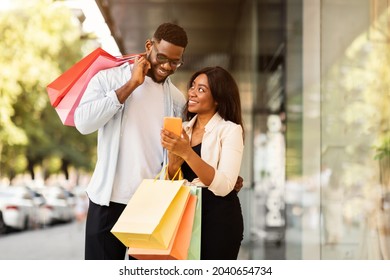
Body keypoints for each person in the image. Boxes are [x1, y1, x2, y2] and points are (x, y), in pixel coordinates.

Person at [74, 23, 243, 260]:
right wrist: (132, 84)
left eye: (175, 62)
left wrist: (226, 176)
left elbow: (186, 146)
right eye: (162, 57)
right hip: (108, 201)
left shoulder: (175, 98)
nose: (166, 66)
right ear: (149, 46)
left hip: (153, 205)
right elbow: (83, 123)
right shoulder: (109, 80)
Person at [161, 66, 245, 260]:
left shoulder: (230, 130)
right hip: (182, 216)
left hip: (219, 220)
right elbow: (170, 182)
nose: (192, 92)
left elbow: (224, 186)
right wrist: (173, 165)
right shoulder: (181, 129)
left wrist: (186, 153)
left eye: (201, 89)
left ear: (217, 98)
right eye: (192, 86)